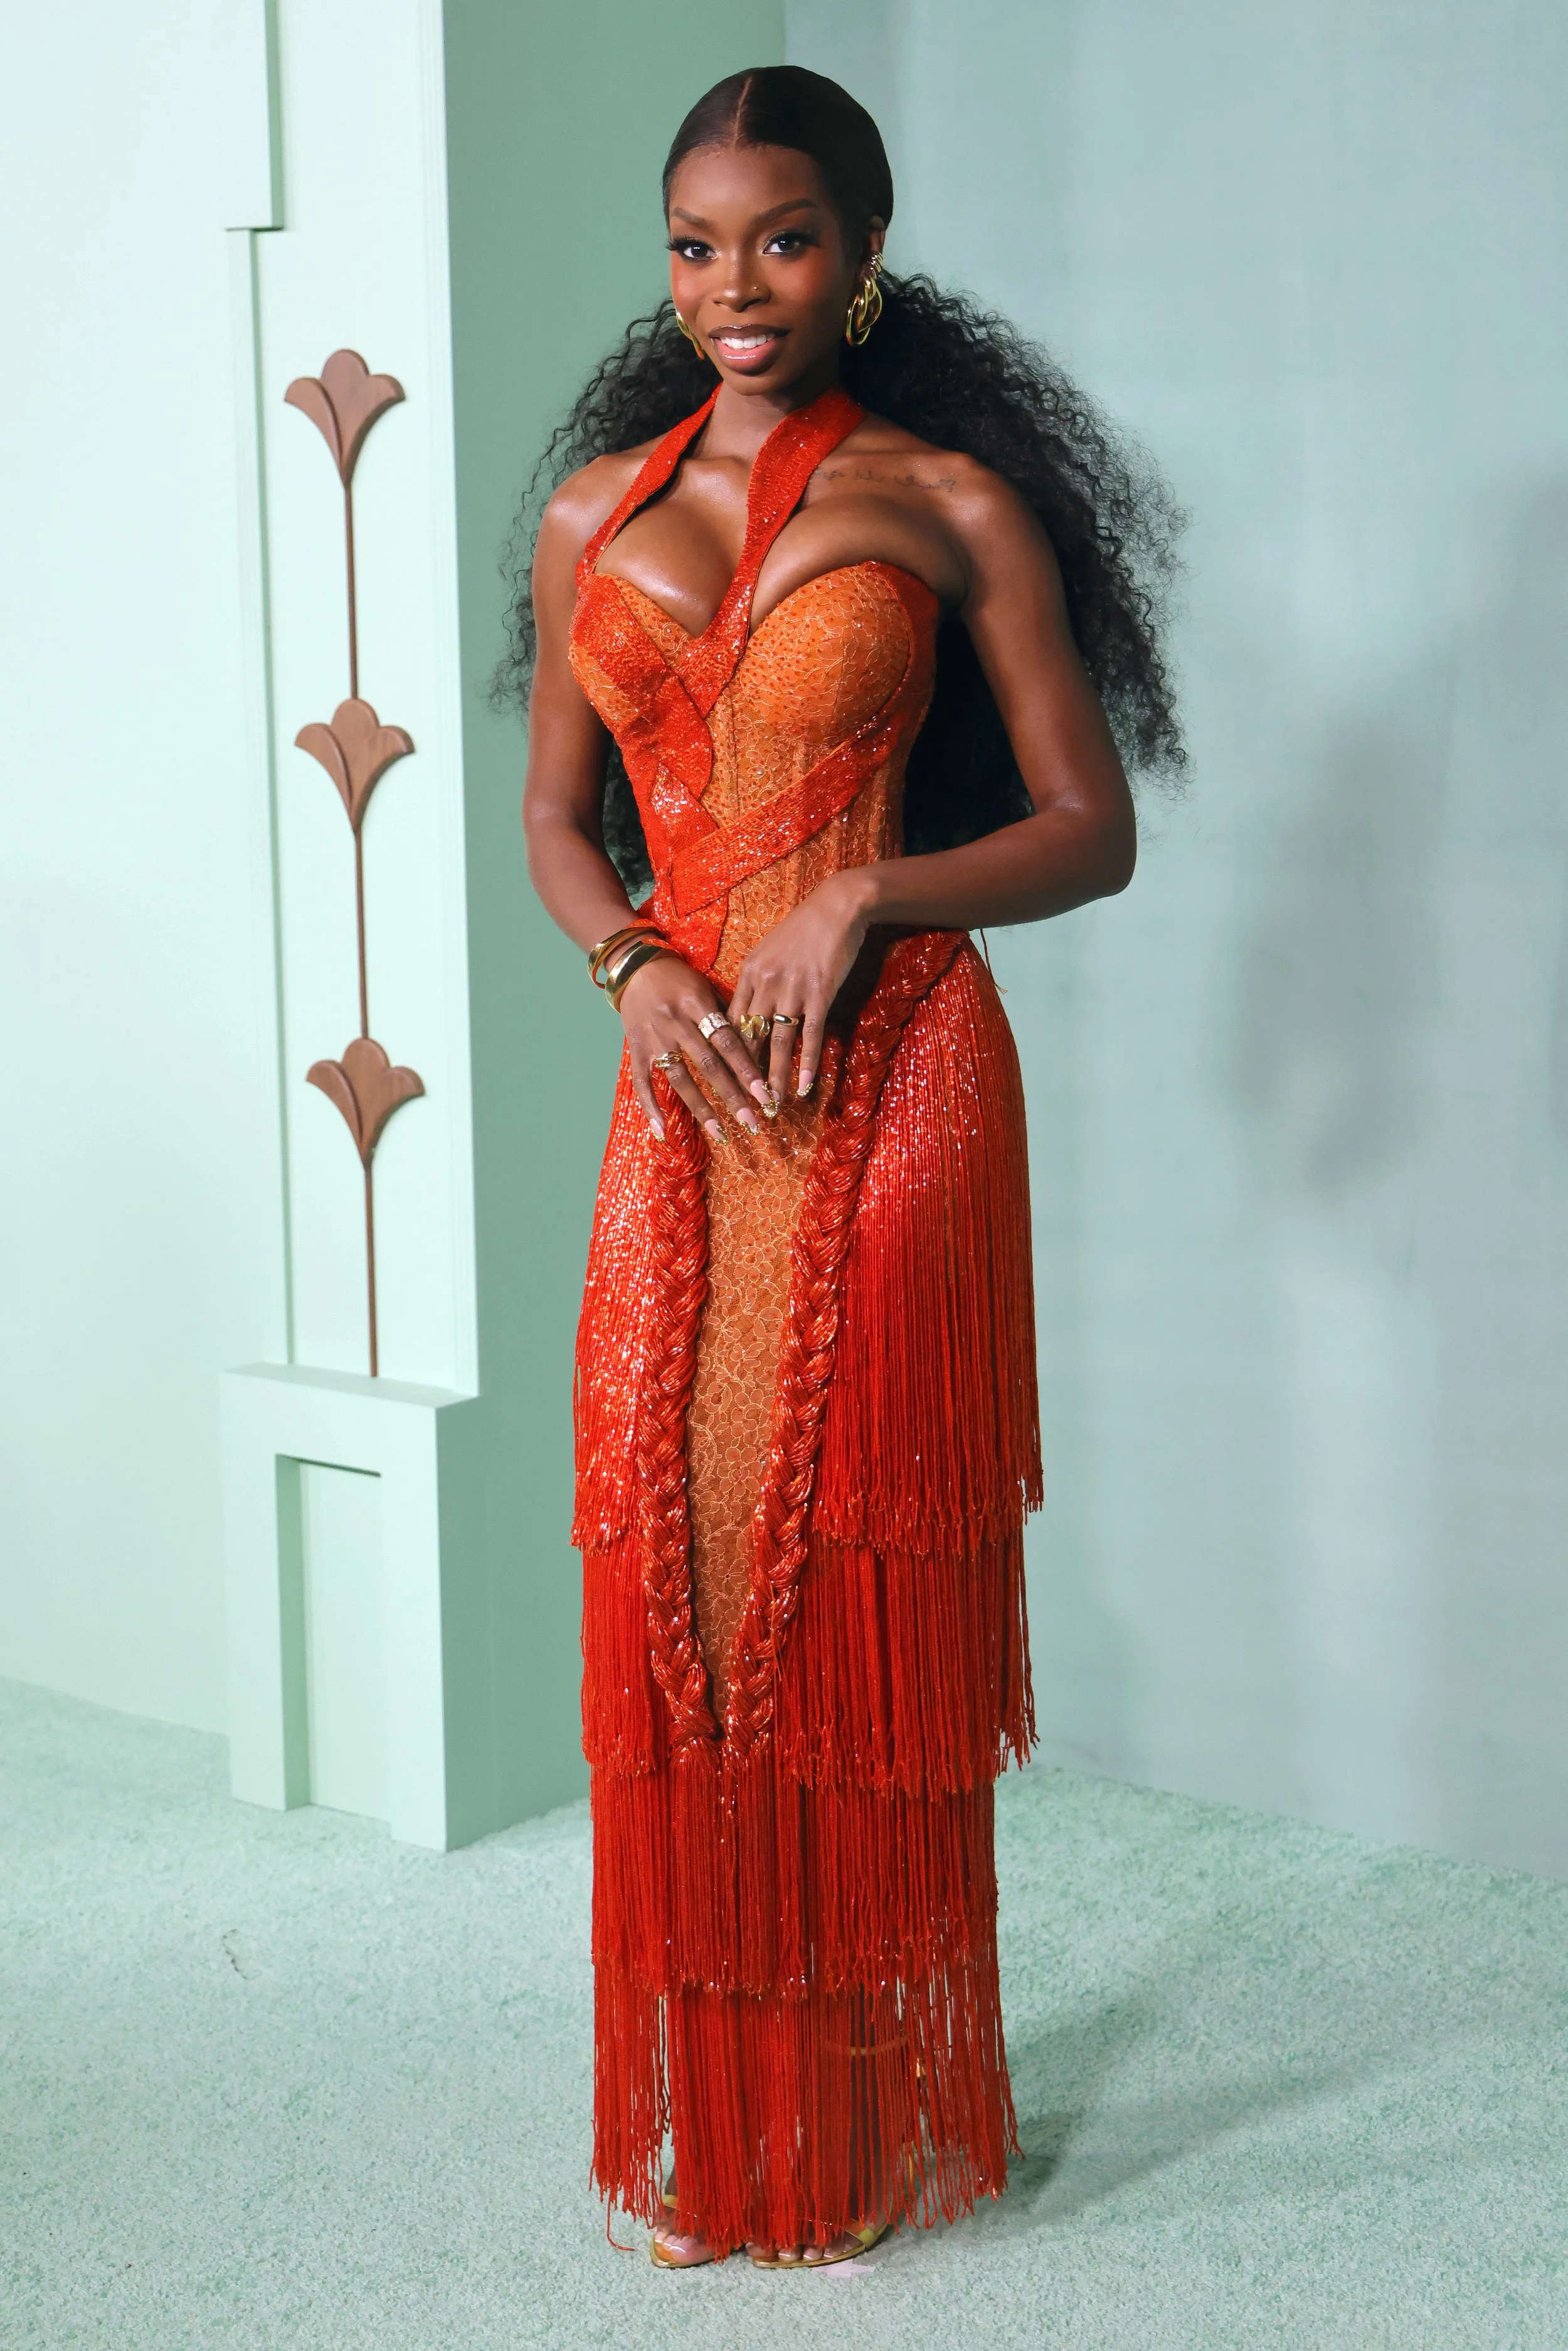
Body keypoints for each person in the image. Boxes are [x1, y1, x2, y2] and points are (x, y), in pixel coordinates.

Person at [511, 63, 1182, 2269]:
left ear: (863, 253)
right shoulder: (590, 509)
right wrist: (628, 960)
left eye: (783, 239)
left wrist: (867, 896)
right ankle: (726, 2107)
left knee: (837, 1591)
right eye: (698, 242)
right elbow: (553, 814)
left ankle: (866, 2108)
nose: (733, 285)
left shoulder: (948, 502)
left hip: (893, 1089)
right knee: (678, 1568)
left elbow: (1087, 827)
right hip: (682, 1094)